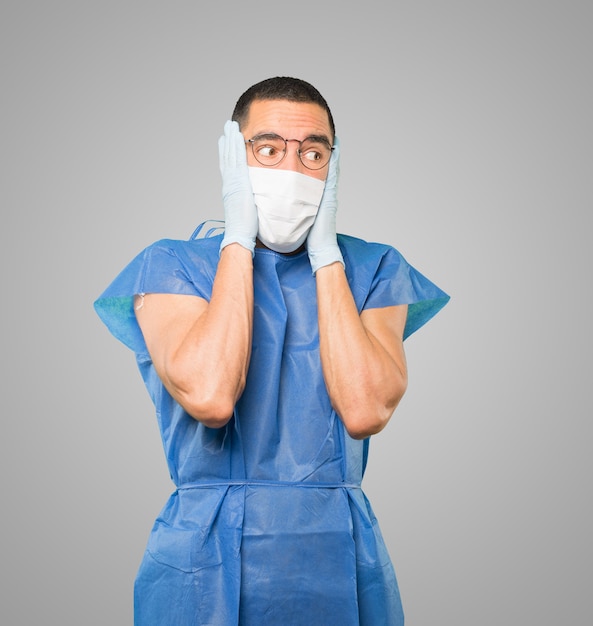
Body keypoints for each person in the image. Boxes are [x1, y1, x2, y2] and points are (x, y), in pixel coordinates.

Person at [94, 76, 449, 625]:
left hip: (336, 551)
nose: (291, 170)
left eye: (313, 153)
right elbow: (211, 396)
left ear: (333, 166)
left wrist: (326, 254)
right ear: (234, 160)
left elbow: (365, 409)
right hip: (206, 563)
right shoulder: (171, 266)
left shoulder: (374, 269)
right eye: (267, 150)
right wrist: (237, 237)